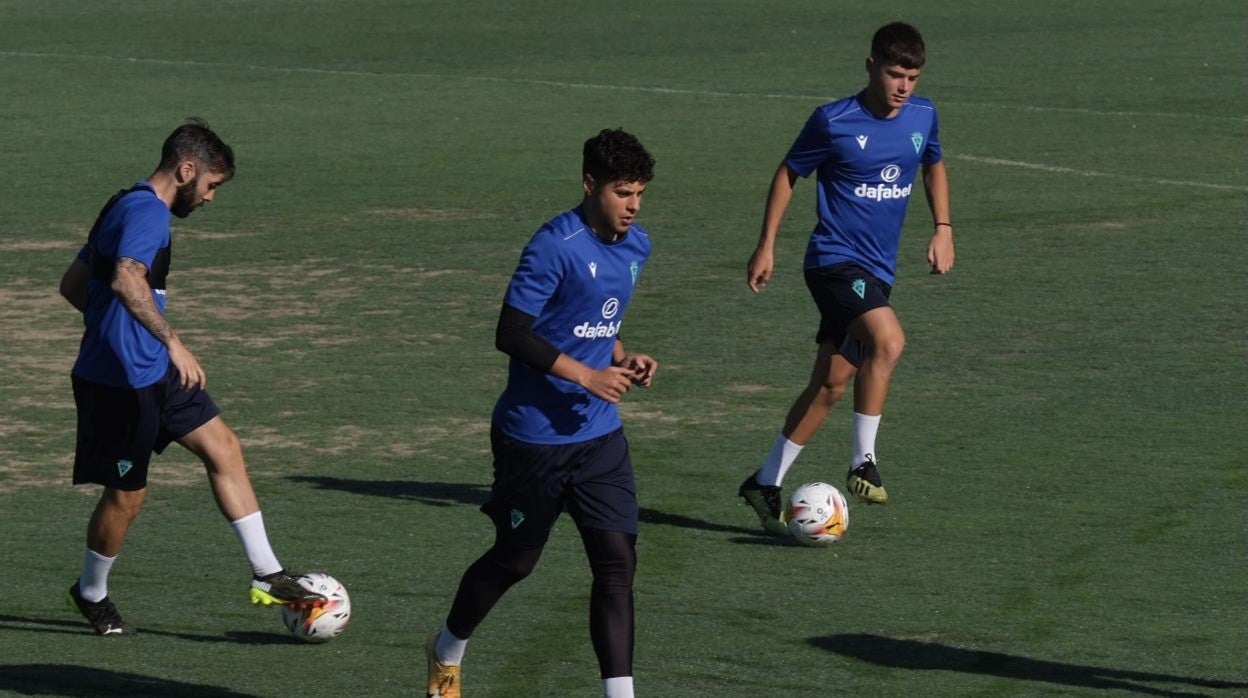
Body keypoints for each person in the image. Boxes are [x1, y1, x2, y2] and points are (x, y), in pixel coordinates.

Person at [58, 118, 326, 636]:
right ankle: (90, 593)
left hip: (152, 371)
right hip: (120, 384)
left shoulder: (121, 203)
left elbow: (74, 284)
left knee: (224, 446)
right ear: (186, 170)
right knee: (128, 496)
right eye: (210, 185)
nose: (210, 197)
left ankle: (267, 573)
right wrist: (167, 341)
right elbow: (125, 278)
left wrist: (117, 331)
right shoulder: (148, 215)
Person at [425, 129, 658, 698]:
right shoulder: (554, 244)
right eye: (622, 192)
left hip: (599, 439)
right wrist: (588, 374)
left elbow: (594, 319)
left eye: (640, 194)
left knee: (616, 565)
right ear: (589, 185)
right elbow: (511, 331)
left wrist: (625, 359)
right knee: (515, 561)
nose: (633, 206)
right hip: (533, 440)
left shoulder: (637, 246)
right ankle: (447, 648)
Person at [738, 21, 956, 533]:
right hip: (833, 262)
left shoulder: (923, 115)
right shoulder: (834, 121)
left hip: (878, 269)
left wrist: (943, 227)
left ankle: (765, 482)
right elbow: (789, 172)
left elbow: (934, 163)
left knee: (833, 383)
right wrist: (766, 243)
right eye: (894, 74)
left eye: (912, 76)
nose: (903, 86)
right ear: (870, 67)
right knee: (890, 340)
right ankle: (863, 461)